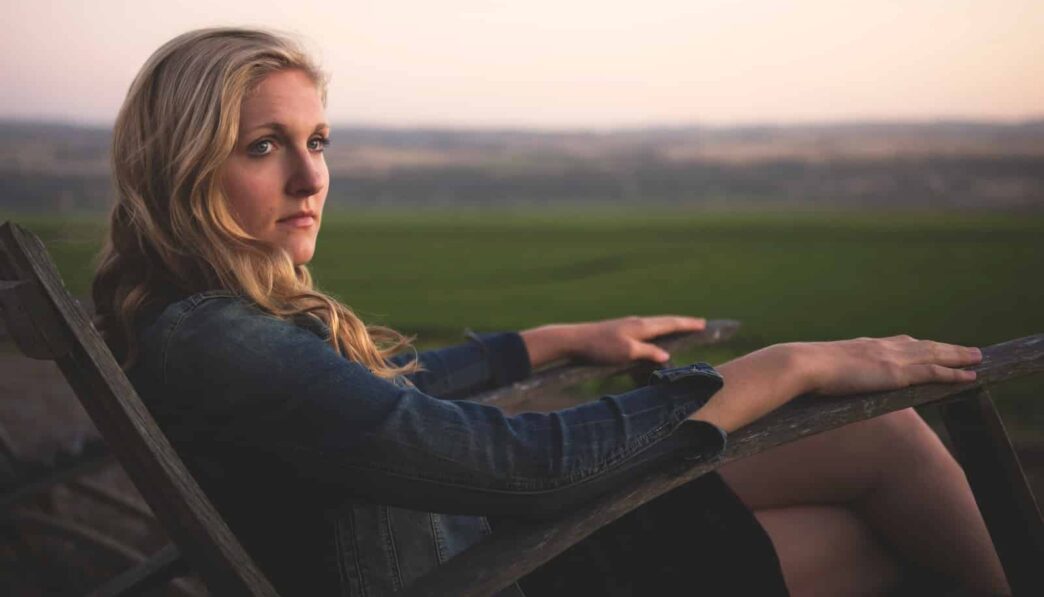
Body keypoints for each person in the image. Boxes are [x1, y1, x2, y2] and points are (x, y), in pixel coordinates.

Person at [90, 27, 1009, 596]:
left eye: (318, 140)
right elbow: (528, 468)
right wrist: (788, 365)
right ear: (184, 166)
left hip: (482, 551)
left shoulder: (200, 322)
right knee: (879, 487)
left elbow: (373, 405)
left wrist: (555, 339)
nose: (311, 176)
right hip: (500, 569)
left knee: (877, 468)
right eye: (265, 146)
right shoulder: (217, 337)